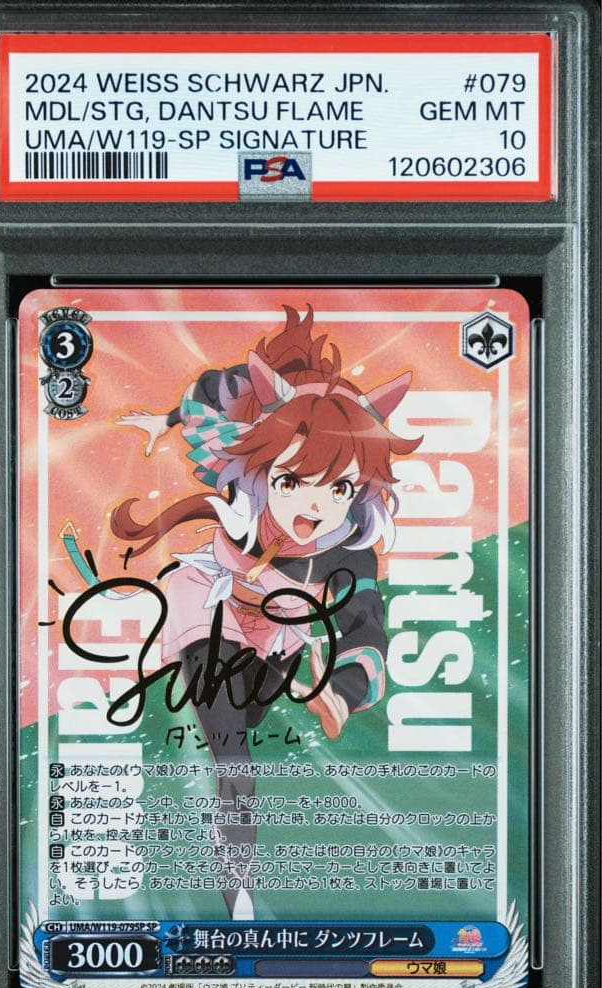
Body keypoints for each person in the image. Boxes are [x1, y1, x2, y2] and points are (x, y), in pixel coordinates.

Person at [112, 305, 421, 918]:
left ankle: (232, 808)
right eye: (292, 481)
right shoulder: (242, 492)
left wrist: (343, 691)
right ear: (265, 469)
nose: (315, 506)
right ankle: (240, 897)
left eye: (339, 488)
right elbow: (214, 388)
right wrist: (165, 420)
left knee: (246, 725)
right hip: (212, 606)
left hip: (280, 633)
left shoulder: (348, 547)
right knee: (234, 755)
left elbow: (364, 620)